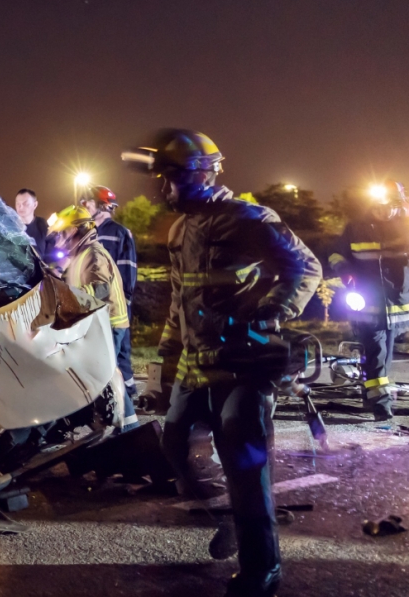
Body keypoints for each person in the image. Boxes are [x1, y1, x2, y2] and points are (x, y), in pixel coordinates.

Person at [123, 129, 320, 597]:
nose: (161, 190)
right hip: (195, 363)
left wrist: (269, 311)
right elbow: (179, 298)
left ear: (198, 174)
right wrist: (167, 363)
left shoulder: (247, 217)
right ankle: (231, 515)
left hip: (243, 364)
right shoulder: (180, 228)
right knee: (174, 446)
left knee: (244, 465)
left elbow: (305, 267)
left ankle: (262, 569)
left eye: (167, 180)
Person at [47, 205, 138, 432]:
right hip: (98, 324)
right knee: (102, 374)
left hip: (110, 324)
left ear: (78, 230)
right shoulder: (80, 255)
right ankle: (123, 426)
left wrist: (65, 296)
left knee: (104, 374)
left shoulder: (94, 254)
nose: (60, 239)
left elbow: (100, 288)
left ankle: (129, 430)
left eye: (64, 233)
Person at [328, 180, 409, 421]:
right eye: (378, 207)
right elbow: (335, 253)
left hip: (399, 303)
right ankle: (380, 404)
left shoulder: (405, 225)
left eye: (388, 207)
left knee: (384, 353)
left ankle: (371, 393)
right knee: (376, 351)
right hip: (367, 303)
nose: (382, 212)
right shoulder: (356, 227)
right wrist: (344, 269)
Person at [81, 185, 139, 398]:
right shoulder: (88, 232)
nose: (84, 206)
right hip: (93, 306)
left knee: (119, 352)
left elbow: (127, 268)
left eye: (88, 202)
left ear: (102, 205)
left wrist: (125, 300)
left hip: (115, 306)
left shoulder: (119, 233)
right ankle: (124, 396)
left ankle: (127, 395)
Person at [14, 188, 47, 260]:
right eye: (18, 203)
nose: (20, 207)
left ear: (35, 205)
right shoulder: (11, 227)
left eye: (25, 204)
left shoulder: (42, 224)